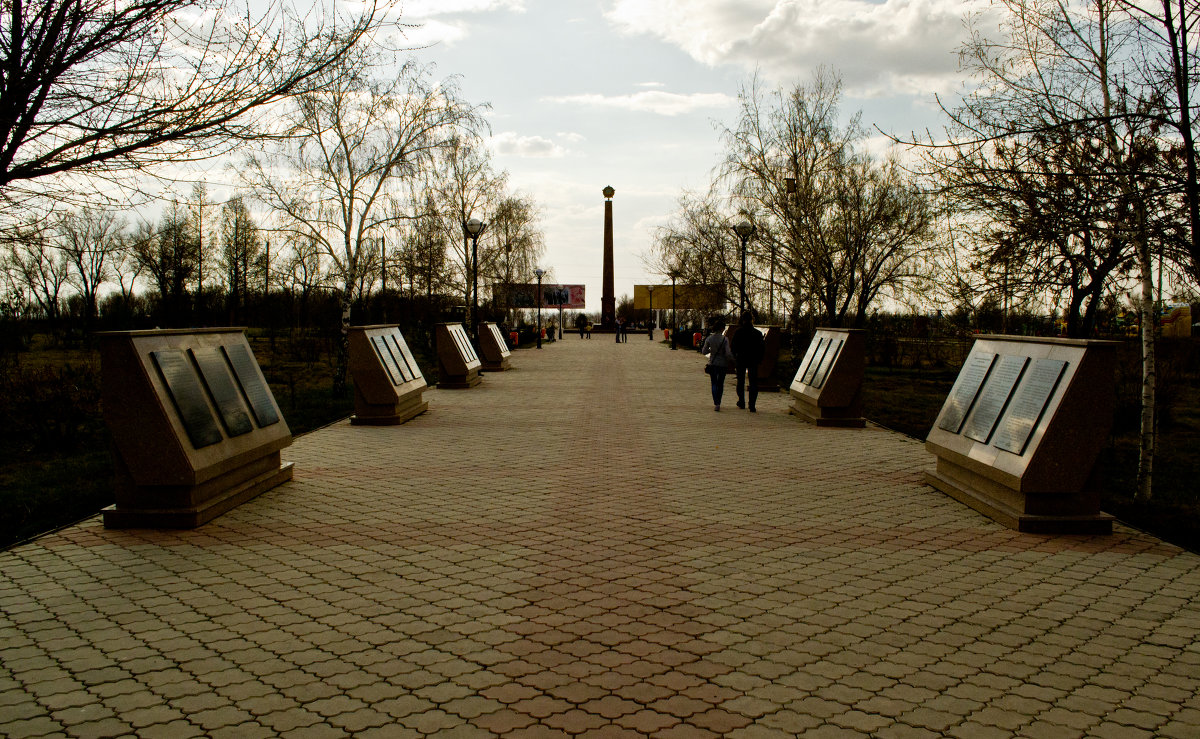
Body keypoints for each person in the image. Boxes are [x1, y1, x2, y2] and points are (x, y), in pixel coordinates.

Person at [731, 312, 766, 412]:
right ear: (752, 320)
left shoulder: (738, 332)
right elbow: (762, 348)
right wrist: (759, 359)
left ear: (742, 319)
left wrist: (735, 357)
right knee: (753, 382)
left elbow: (733, 347)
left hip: (741, 359)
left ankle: (741, 401)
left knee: (740, 381)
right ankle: (752, 405)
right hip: (753, 360)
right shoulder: (757, 333)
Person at [700, 322, 733, 411]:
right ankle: (719, 400)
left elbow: (704, 352)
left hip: (713, 363)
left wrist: (712, 350)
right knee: (720, 383)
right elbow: (728, 353)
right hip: (723, 364)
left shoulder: (709, 339)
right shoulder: (725, 339)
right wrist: (732, 360)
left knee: (714, 383)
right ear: (722, 329)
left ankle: (716, 403)